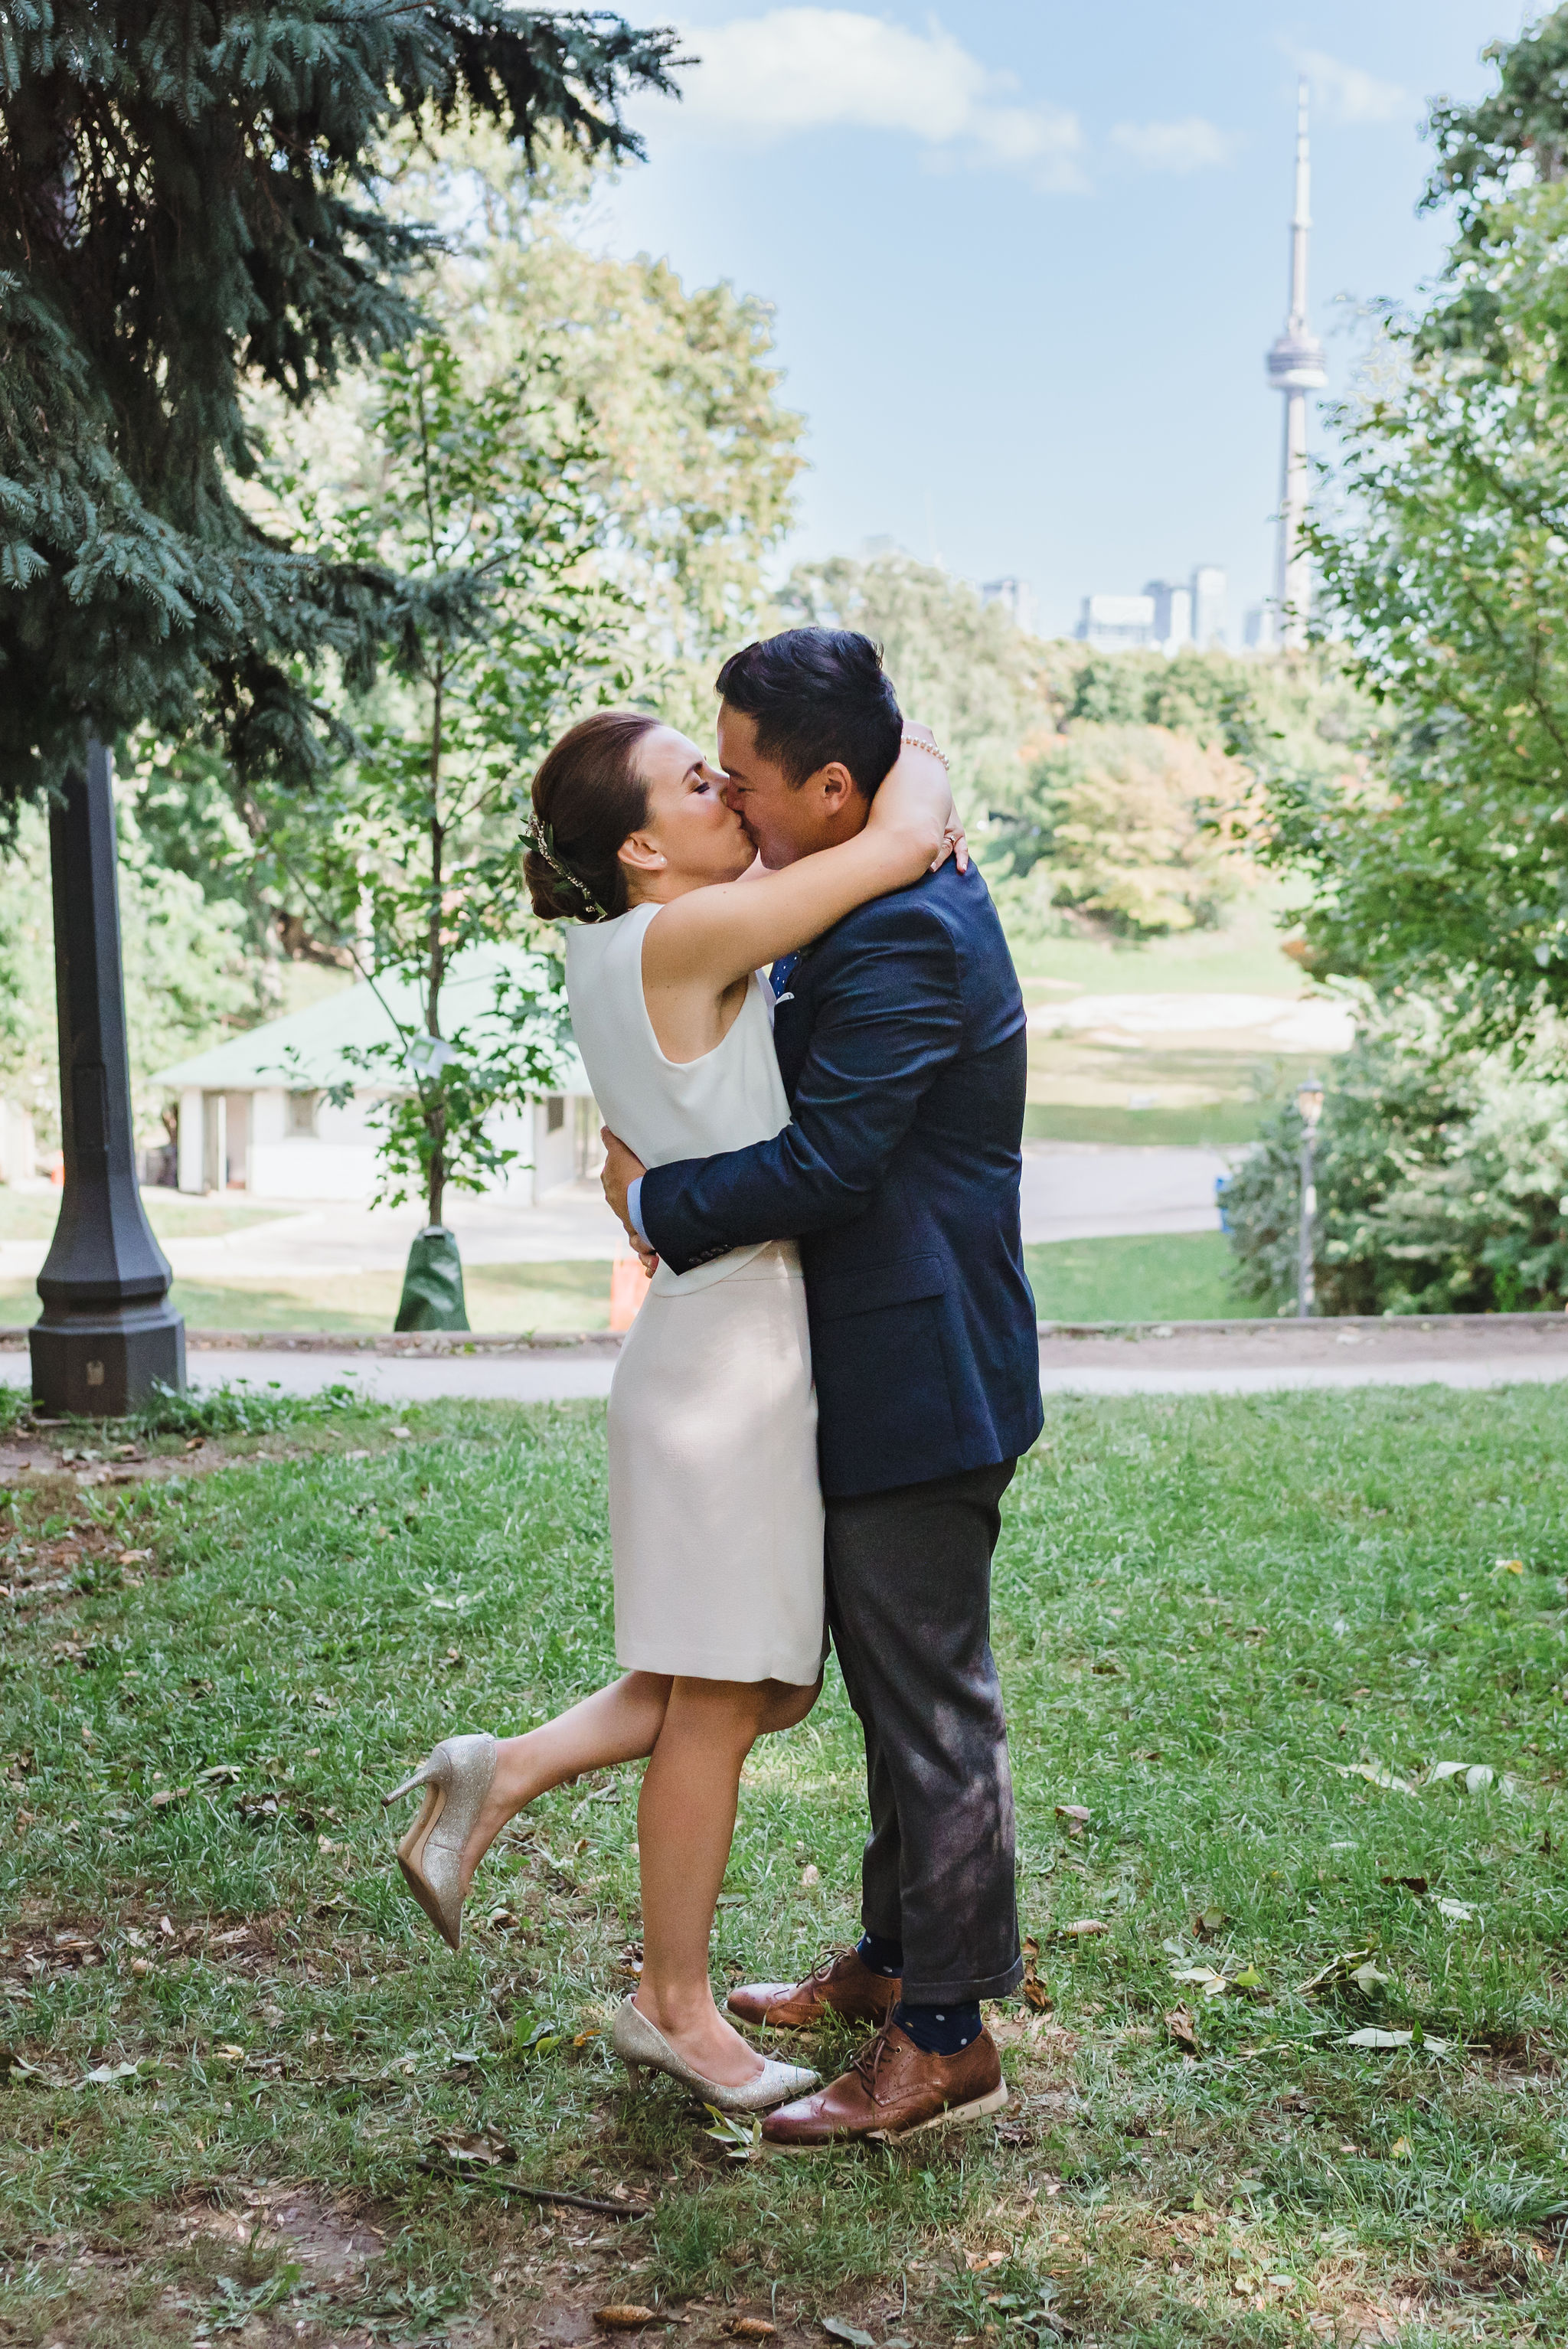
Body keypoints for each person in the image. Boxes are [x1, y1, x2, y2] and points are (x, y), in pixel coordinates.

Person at [382, 694, 957, 2112]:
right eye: (699, 782)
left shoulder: (622, 943)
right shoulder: (687, 934)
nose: (729, 793)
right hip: (729, 1367)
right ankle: (676, 2010)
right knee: (717, 1701)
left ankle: (497, 1772)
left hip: (719, 1349)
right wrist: (912, 754)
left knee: (757, 1682)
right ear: (642, 849)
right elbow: (895, 845)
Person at [601, 626, 1044, 2149]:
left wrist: (655, 1208)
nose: (727, 791)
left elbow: (831, 1167)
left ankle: (942, 2033)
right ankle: (891, 1955)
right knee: (887, 1684)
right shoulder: (863, 860)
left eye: (745, 775)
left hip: (921, 1369)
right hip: (861, 1360)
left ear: (835, 787)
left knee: (932, 1708)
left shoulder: (908, 929)